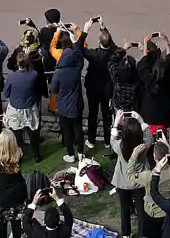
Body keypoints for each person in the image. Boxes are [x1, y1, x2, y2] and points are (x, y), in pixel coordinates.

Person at [110, 110, 150, 235]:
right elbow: (149, 136)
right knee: (142, 209)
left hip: (122, 181)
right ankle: (143, 234)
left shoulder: (119, 146)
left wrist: (116, 122)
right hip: (139, 181)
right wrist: (141, 120)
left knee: (124, 210)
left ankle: (126, 234)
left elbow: (112, 137)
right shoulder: (144, 146)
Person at [50, 26, 86, 163]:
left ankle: (71, 154)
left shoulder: (58, 73)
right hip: (76, 104)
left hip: (63, 106)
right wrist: (75, 41)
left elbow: (54, 90)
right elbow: (79, 55)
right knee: (78, 129)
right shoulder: (77, 68)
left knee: (67, 131)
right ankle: (81, 152)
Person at [3, 51, 46, 161]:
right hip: (30, 108)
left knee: (17, 135)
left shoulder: (12, 77)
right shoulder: (33, 75)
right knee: (33, 133)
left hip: (15, 109)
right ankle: (36, 155)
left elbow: (6, 93)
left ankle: (19, 156)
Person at [0, 125, 28, 238]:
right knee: (16, 223)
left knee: (2, 225)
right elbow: (18, 142)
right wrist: (9, 127)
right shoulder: (19, 154)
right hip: (16, 195)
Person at [83, 22, 116, 151]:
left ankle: (91, 140)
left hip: (93, 88)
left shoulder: (93, 54)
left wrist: (85, 31)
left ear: (99, 42)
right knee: (107, 116)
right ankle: (108, 141)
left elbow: (79, 47)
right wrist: (104, 28)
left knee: (93, 114)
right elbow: (113, 45)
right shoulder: (114, 53)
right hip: (107, 89)